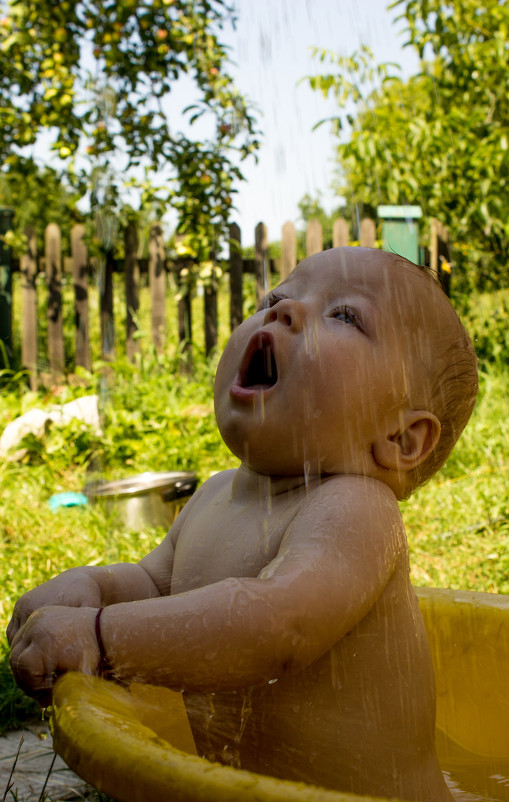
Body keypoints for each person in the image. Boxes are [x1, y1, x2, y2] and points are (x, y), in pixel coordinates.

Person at [8, 247, 478, 802]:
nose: (285, 311)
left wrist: (101, 638)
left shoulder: (355, 507)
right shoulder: (214, 496)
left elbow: (281, 625)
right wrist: (95, 588)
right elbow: (156, 583)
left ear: (401, 438)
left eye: (345, 315)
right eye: (277, 297)